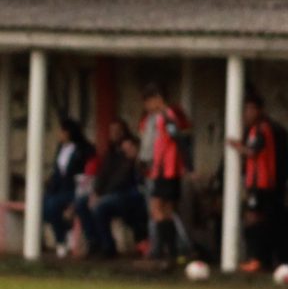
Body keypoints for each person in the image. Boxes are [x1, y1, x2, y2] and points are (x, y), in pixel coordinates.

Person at [225, 92, 287, 272]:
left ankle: (257, 259)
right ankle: (259, 259)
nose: (247, 113)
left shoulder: (262, 128)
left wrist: (237, 147)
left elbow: (253, 152)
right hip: (256, 183)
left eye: (251, 109)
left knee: (254, 219)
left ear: (259, 110)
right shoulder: (254, 129)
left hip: (262, 183)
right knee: (255, 219)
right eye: (245, 109)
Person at [136, 83, 195, 267]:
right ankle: (172, 254)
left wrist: (188, 167)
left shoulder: (167, 117)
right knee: (167, 212)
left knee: (156, 209)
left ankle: (164, 252)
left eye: (148, 102)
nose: (147, 107)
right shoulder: (159, 118)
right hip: (164, 171)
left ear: (157, 100)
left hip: (165, 171)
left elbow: (179, 140)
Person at [78, 124, 145, 259]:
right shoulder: (113, 154)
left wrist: (133, 159)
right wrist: (96, 192)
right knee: (81, 202)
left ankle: (108, 247)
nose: (114, 134)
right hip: (111, 194)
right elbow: (103, 175)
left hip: (129, 196)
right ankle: (94, 242)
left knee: (100, 206)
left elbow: (123, 181)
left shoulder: (137, 159)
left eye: (117, 131)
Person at [39, 114, 94, 257]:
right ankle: (63, 233)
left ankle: (61, 240)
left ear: (69, 132)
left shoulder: (84, 149)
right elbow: (58, 171)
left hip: (75, 190)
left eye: (61, 131)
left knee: (52, 205)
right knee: (43, 206)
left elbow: (86, 174)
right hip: (59, 189)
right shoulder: (61, 148)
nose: (59, 134)